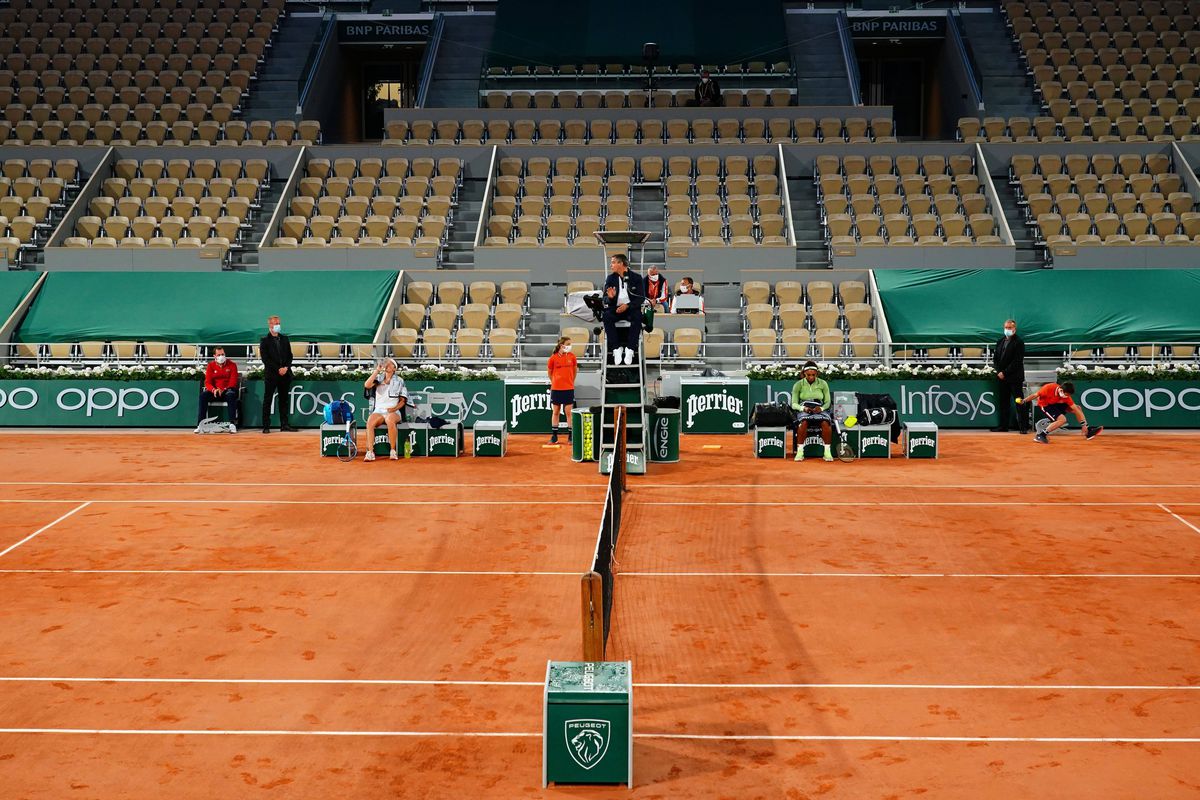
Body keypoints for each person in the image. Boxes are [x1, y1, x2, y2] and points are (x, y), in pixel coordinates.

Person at [1021, 381, 1103, 444]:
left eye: (1068, 395)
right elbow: (1035, 395)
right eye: (1066, 394)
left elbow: (1076, 409)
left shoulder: (1066, 397)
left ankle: (1088, 431)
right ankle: (1041, 435)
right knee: (1062, 420)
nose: (1067, 397)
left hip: (1056, 404)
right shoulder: (1048, 388)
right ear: (1061, 390)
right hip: (1046, 405)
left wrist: (1084, 425)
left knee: (1078, 407)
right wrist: (1024, 401)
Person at [603, 253, 645, 365]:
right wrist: (610, 298)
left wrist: (627, 305)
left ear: (621, 263)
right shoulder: (610, 278)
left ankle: (630, 349)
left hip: (630, 308)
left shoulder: (636, 278)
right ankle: (616, 349)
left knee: (638, 316)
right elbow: (605, 299)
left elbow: (641, 298)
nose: (611, 265)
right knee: (606, 316)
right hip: (615, 309)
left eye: (613, 262)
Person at [363, 357, 408, 461]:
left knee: (389, 420)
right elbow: (367, 385)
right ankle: (370, 452)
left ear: (394, 368)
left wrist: (394, 409)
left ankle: (392, 451)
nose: (386, 364)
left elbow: (403, 401)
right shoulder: (379, 378)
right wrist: (377, 370)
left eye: (390, 363)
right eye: (386, 363)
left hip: (393, 410)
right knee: (370, 422)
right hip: (378, 410)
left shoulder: (399, 381)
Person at [790, 360, 834, 462]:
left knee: (825, 423)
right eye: (808, 375)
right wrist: (803, 409)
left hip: (819, 408)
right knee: (803, 422)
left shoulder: (823, 384)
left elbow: (827, 402)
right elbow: (794, 404)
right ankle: (800, 452)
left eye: (813, 375)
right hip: (804, 408)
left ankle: (827, 452)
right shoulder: (798, 384)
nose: (811, 377)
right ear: (804, 373)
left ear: (817, 374)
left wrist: (821, 408)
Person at [259, 314, 297, 433]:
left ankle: (284, 424)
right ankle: (266, 425)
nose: (278, 326)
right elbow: (266, 359)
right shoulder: (264, 341)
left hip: (285, 374)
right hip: (272, 375)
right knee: (268, 399)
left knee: (284, 400)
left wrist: (285, 367)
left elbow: (290, 355)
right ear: (270, 325)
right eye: (276, 324)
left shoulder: (285, 339)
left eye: (279, 323)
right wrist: (278, 369)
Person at [992, 318, 1028, 434]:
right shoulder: (1000, 341)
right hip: (1002, 378)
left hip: (1014, 378)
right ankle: (1003, 426)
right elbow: (996, 359)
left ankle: (1023, 427)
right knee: (1004, 403)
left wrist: (1005, 372)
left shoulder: (1019, 342)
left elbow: (1017, 361)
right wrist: (999, 372)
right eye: (1006, 328)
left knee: (1018, 401)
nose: (1007, 329)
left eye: (1010, 328)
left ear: (1014, 329)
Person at [196, 346, 239, 432]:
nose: (221, 356)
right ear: (214, 356)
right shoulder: (211, 366)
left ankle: (232, 424)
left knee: (231, 395)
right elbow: (207, 382)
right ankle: (200, 425)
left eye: (223, 354)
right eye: (219, 355)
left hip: (228, 390)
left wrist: (224, 389)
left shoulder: (232, 365)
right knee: (203, 396)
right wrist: (214, 390)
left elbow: (233, 382)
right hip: (215, 391)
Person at [547, 336, 578, 444]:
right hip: (556, 389)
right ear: (562, 345)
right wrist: (556, 382)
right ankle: (554, 436)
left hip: (568, 388)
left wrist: (569, 382)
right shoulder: (553, 358)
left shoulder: (572, 357)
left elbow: (574, 372)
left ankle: (570, 437)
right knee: (555, 412)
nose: (570, 346)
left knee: (568, 412)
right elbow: (550, 374)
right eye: (568, 344)